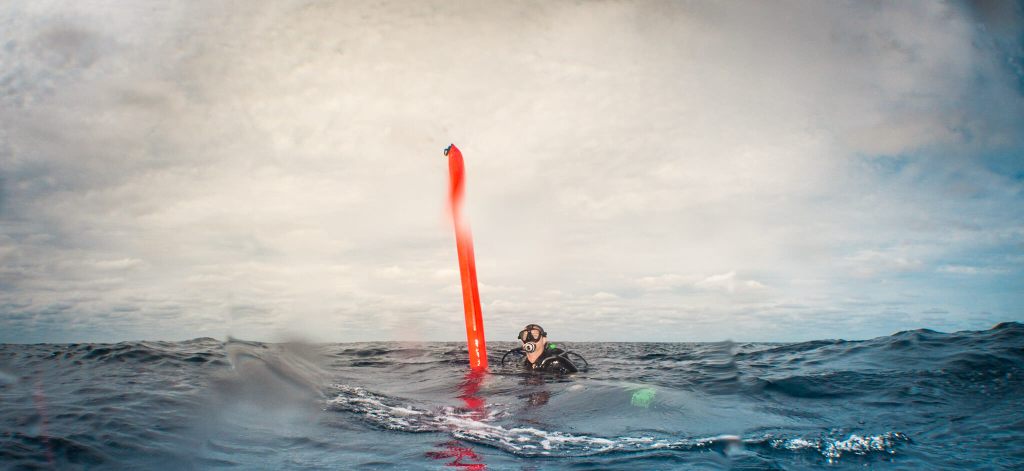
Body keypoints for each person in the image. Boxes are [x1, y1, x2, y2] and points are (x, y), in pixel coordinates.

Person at [503, 324, 586, 374]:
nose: (529, 339)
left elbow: (576, 379)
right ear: (522, 341)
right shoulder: (523, 361)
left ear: (544, 340)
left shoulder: (556, 362)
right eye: (524, 336)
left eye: (535, 335)